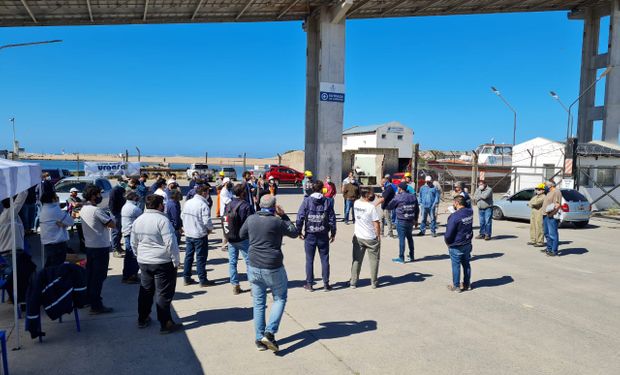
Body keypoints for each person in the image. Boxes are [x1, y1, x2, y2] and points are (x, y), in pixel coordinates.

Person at [239, 194, 299, 352]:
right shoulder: (277, 222)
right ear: (274, 207)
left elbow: (241, 235)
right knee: (280, 298)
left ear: (259, 204)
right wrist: (284, 215)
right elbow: (294, 232)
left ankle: (259, 340)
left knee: (258, 303)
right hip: (272, 265)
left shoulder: (251, 219)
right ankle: (269, 333)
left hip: (253, 264)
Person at [131, 194, 182, 334]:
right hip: (162, 262)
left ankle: (143, 318)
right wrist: (176, 261)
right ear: (160, 205)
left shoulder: (138, 220)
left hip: (144, 261)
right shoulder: (163, 220)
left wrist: (138, 255)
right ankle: (165, 323)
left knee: (145, 291)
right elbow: (171, 243)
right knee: (163, 293)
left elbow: (133, 242)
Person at [80, 184, 115, 314]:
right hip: (100, 246)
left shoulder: (84, 209)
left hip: (90, 246)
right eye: (99, 194)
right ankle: (96, 305)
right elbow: (111, 224)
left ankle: (90, 299)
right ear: (94, 195)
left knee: (91, 276)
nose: (100, 196)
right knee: (99, 277)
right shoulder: (96, 210)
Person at [296, 181, 337, 292]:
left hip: (310, 234)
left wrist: (299, 231)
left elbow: (300, 217)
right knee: (325, 259)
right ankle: (326, 284)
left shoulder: (307, 201)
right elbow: (332, 219)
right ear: (322, 189)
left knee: (309, 260)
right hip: (323, 234)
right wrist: (333, 233)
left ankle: (310, 284)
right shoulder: (327, 202)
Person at [181, 184, 215, 287]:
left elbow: (182, 216)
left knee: (188, 257)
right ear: (204, 193)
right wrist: (209, 229)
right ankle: (203, 280)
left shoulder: (188, 203)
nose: (208, 195)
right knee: (201, 258)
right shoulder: (203, 205)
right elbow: (207, 221)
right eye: (208, 192)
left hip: (189, 233)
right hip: (199, 235)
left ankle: (186, 278)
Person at [223, 183, 252, 295]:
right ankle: (253, 286)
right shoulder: (246, 205)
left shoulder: (229, 204)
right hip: (243, 238)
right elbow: (251, 222)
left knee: (232, 262)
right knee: (249, 262)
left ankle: (235, 285)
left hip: (231, 237)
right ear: (243, 193)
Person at [350, 188, 381, 289]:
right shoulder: (371, 207)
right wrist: (378, 236)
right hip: (370, 237)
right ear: (367, 195)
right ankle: (374, 282)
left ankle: (353, 282)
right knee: (374, 260)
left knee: (356, 260)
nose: (373, 195)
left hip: (358, 236)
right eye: (371, 193)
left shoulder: (356, 203)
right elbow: (376, 223)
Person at [444, 195, 474, 293]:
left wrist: (448, 243)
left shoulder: (454, 217)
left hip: (457, 244)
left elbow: (448, 234)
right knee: (466, 264)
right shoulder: (470, 211)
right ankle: (467, 284)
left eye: (454, 203)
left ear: (456, 203)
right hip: (467, 242)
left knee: (456, 265)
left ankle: (456, 286)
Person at [387, 182, 419, 263]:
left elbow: (390, 206)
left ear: (400, 189)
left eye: (398, 188)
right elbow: (417, 209)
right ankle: (412, 255)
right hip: (410, 220)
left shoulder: (398, 197)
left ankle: (401, 257)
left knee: (402, 239)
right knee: (410, 238)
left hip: (401, 221)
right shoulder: (413, 197)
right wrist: (416, 220)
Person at [39, 192, 74, 267]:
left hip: (48, 243)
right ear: (53, 199)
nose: (58, 199)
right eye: (57, 197)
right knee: (56, 267)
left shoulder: (43, 209)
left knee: (50, 266)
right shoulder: (55, 210)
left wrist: (63, 224)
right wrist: (65, 224)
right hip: (57, 244)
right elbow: (71, 221)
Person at [121, 192, 142, 284]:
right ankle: (132, 275)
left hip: (126, 232)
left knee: (128, 255)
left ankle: (126, 275)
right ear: (134, 198)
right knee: (133, 255)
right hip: (132, 234)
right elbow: (142, 220)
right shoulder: (135, 208)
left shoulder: (125, 206)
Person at [542, 180, 562, 257]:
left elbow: (557, 205)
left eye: (545, 184)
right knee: (546, 233)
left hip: (552, 216)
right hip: (545, 215)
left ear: (550, 185)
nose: (545, 186)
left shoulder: (556, 192)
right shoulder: (549, 192)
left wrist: (551, 214)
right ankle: (549, 248)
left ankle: (554, 250)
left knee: (553, 234)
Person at [109, 180, 127, 258]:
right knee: (115, 232)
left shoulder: (122, 189)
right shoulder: (115, 190)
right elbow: (112, 203)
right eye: (124, 182)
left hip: (120, 212)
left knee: (119, 232)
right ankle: (115, 250)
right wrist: (114, 213)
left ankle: (119, 247)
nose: (126, 183)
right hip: (115, 213)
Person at [67, 187, 85, 252]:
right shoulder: (70, 199)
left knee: (82, 231)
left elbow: (82, 204)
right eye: (75, 192)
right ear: (71, 192)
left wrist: (79, 204)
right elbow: (74, 205)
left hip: (80, 214)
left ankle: (83, 245)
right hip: (75, 215)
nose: (76, 193)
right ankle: (82, 247)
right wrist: (79, 204)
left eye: (76, 192)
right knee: (80, 231)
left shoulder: (77, 198)